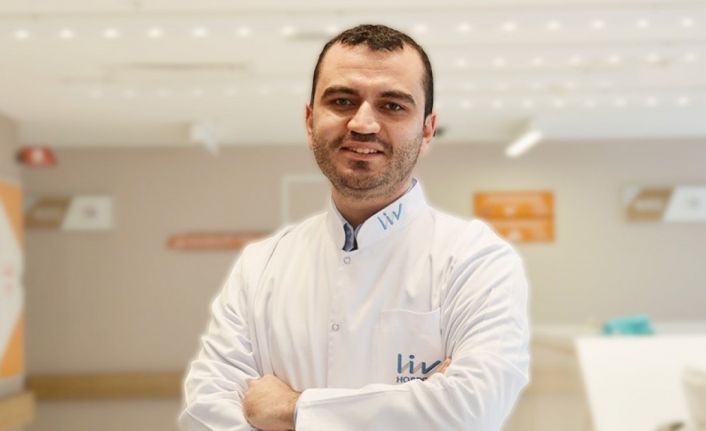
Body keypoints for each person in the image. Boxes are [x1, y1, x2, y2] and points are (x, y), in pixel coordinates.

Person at [179, 24, 529, 431]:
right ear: (309, 120)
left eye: (392, 106)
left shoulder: (476, 260)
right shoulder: (261, 267)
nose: (363, 123)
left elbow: (472, 408)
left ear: (427, 130)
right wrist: (415, 407)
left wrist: (293, 410)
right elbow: (205, 411)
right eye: (342, 101)